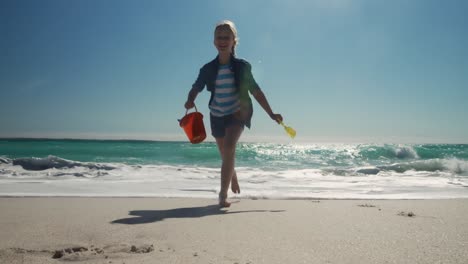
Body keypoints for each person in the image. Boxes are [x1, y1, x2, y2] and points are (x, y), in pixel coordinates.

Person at [184, 20, 283, 207]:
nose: (222, 40)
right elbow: (195, 87)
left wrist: (271, 113)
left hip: (238, 113)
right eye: (219, 37)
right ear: (214, 41)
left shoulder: (242, 67)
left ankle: (222, 194)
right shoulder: (207, 69)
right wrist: (190, 100)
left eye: (226, 37)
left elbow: (256, 91)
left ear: (233, 41)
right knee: (225, 153)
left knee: (229, 148)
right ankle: (232, 175)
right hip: (216, 115)